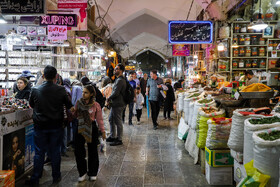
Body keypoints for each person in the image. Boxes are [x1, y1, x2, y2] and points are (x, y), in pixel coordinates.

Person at [26, 65, 74, 186]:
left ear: (43, 76)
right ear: (55, 76)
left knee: (39, 152)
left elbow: (31, 104)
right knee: (55, 151)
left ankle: (36, 178)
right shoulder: (61, 89)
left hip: (40, 125)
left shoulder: (35, 89)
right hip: (56, 126)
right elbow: (69, 106)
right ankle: (56, 177)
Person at [73, 85, 106, 182]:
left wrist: (103, 131)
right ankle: (82, 172)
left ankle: (92, 172)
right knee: (79, 151)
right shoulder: (78, 103)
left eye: (86, 92)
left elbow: (99, 119)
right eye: (83, 92)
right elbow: (75, 115)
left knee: (92, 151)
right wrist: (74, 112)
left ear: (91, 94)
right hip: (80, 127)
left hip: (92, 128)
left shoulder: (96, 105)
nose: (83, 94)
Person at [107, 64, 126, 146]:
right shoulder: (118, 79)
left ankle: (119, 139)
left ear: (121, 70)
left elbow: (116, 93)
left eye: (117, 69)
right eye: (115, 69)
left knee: (118, 121)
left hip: (118, 103)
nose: (115, 70)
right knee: (111, 119)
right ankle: (112, 136)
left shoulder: (120, 80)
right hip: (115, 103)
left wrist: (108, 98)